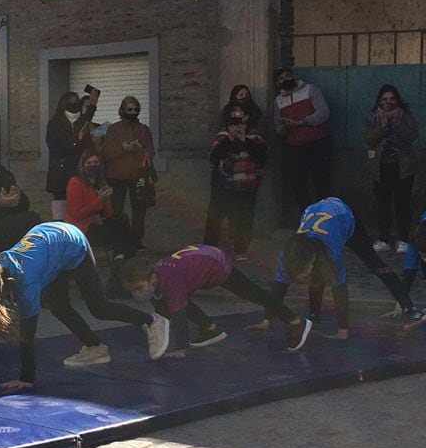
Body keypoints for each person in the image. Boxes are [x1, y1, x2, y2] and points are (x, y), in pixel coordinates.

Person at [0, 222, 170, 387]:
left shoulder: (25, 281)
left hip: (72, 243)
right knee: (59, 306)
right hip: (50, 247)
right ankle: (95, 347)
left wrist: (26, 378)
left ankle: (152, 321)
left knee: (98, 307)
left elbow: (28, 332)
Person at [247, 197, 423, 340]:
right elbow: (279, 288)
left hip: (344, 217)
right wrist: (266, 320)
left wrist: (342, 330)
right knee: (316, 277)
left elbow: (340, 288)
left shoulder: (331, 251)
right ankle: (314, 317)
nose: (301, 279)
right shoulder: (286, 256)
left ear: (313, 257)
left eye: (303, 272)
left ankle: (407, 305)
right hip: (318, 217)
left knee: (372, 262)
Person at [120, 245, 312, 354]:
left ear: (152, 279)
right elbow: (165, 312)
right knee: (169, 301)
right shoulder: (159, 277)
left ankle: (296, 321)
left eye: (139, 288)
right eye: (133, 291)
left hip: (215, 262)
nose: (137, 294)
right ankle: (210, 329)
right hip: (201, 260)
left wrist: (180, 347)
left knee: (251, 292)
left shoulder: (168, 278)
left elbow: (179, 313)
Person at [65, 149, 140, 298]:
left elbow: (109, 214)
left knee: (122, 224)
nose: (93, 166)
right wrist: (98, 200)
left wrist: (106, 199)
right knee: (122, 238)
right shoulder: (75, 182)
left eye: (96, 163)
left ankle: (119, 259)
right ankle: (119, 266)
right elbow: (77, 214)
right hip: (81, 228)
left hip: (97, 223)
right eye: (90, 163)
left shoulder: (101, 182)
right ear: (83, 165)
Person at [202, 104, 267, 261]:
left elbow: (262, 157)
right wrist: (230, 139)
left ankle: (240, 250)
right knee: (215, 217)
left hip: (246, 183)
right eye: (234, 116)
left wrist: (244, 139)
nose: (238, 121)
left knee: (243, 217)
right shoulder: (222, 137)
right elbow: (215, 157)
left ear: (247, 117)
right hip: (224, 183)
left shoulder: (255, 137)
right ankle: (208, 249)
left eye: (241, 116)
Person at [364, 84, 418, 253]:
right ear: (379, 101)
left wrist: (395, 123)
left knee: (402, 203)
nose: (388, 102)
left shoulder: (406, 116)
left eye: (392, 99)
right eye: (385, 99)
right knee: (382, 204)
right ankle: (383, 238)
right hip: (380, 167)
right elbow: (369, 139)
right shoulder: (373, 118)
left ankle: (403, 238)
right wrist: (382, 126)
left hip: (402, 165)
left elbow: (411, 135)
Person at [273, 67, 331, 214]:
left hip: (317, 142)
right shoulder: (278, 101)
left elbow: (323, 113)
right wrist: (286, 127)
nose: (285, 79)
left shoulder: (310, 90)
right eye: (281, 78)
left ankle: (326, 219)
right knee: (299, 185)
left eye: (287, 76)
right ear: (277, 83)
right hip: (295, 147)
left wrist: (301, 122)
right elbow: (278, 127)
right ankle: (308, 220)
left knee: (321, 182)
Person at [100, 95, 155, 241]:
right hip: (117, 175)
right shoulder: (114, 129)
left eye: (135, 109)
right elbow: (107, 152)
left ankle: (136, 241)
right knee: (116, 210)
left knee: (139, 210)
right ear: (122, 110)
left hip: (138, 175)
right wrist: (124, 149)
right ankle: (118, 240)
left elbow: (150, 150)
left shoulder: (144, 129)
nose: (132, 112)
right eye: (129, 109)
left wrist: (140, 151)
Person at [46, 87, 99, 220]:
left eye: (76, 101)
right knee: (61, 213)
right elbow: (56, 148)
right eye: (71, 101)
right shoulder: (55, 124)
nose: (74, 103)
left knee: (80, 209)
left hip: (79, 173)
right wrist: (76, 141)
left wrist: (93, 105)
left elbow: (85, 120)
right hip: (61, 174)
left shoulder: (80, 122)